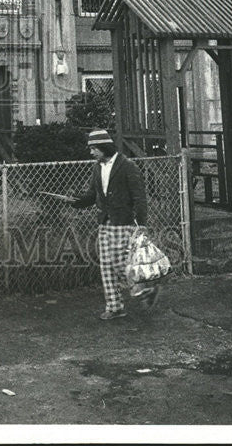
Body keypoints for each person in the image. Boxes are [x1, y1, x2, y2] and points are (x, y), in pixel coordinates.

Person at [67, 128, 159, 320]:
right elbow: (93, 195)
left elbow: (139, 198)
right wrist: (76, 202)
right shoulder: (97, 167)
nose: (91, 153)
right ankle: (115, 307)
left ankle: (144, 288)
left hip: (124, 223)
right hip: (105, 222)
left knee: (119, 263)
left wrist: (141, 224)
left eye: (94, 149)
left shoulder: (128, 166)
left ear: (104, 147)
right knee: (106, 266)